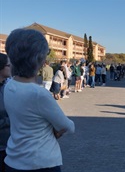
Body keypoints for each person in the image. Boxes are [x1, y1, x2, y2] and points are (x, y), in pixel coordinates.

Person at [4, 28, 75, 172]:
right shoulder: (39, 94)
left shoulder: (8, 85)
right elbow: (68, 126)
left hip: (13, 159)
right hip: (40, 162)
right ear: (39, 59)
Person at [0, 53, 11, 172]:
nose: (11, 67)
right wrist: (11, 119)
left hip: (10, 146)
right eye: (8, 65)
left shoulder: (8, 85)